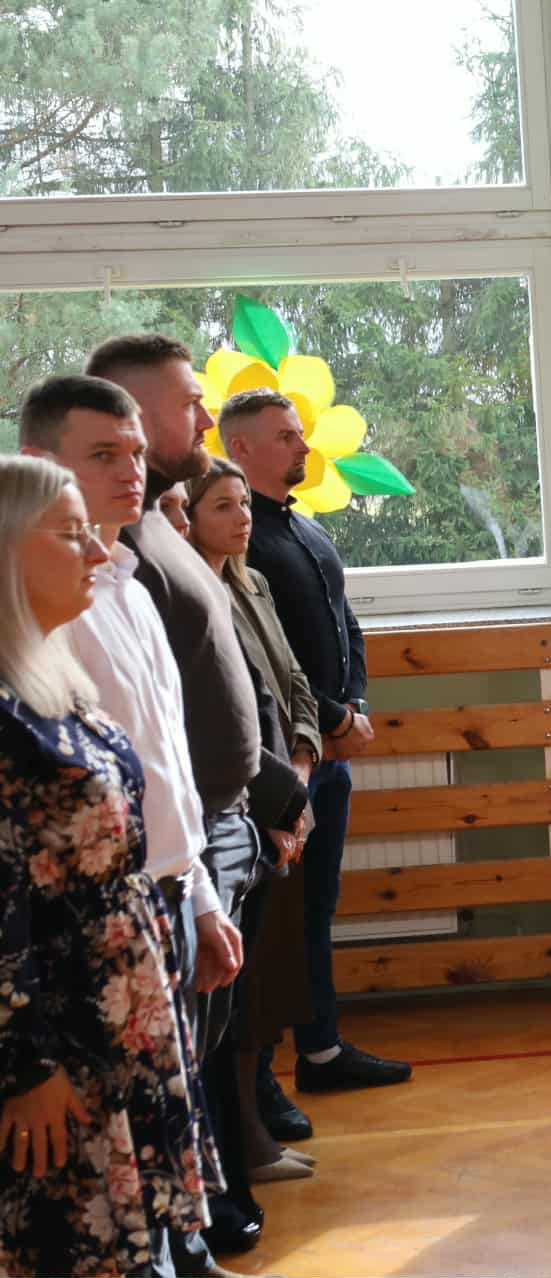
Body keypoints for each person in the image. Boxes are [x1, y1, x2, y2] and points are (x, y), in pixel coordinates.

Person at [87, 335, 308, 1270]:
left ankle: (198, 1227)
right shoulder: (102, 564)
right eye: (187, 402)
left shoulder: (146, 542)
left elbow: (191, 713)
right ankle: (192, 1229)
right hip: (150, 868)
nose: (203, 417)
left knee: (195, 1054)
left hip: (203, 844)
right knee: (162, 1072)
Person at [0, 455, 222, 1277]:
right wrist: (25, 1068)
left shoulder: (50, 677)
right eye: (71, 535)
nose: (98, 551)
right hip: (56, 1045)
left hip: (117, 1019)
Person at [214, 387, 411, 1110]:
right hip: (283, 761)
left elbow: (344, 625)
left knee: (315, 908)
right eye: (286, 437)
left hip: (329, 753)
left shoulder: (307, 530)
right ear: (240, 448)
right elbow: (273, 660)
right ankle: (257, 1076)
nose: (303, 446)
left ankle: (321, 1049)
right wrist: (327, 719)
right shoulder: (239, 544)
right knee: (272, 921)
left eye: (300, 433)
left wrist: (353, 710)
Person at [184, 457, 321, 1186]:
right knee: (233, 1003)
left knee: (264, 990)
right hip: (244, 809)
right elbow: (225, 720)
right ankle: (238, 1147)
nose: (242, 518)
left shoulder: (251, 581)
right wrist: (275, 802)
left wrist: (301, 767)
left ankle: (252, 1133)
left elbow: (290, 683)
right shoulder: (187, 592)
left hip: (281, 796)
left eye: (244, 504)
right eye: (222, 506)